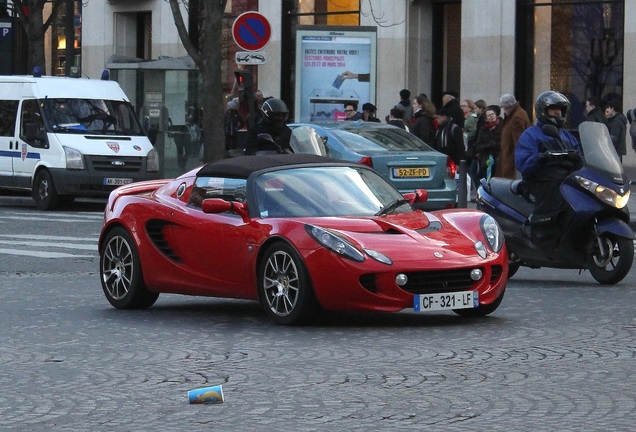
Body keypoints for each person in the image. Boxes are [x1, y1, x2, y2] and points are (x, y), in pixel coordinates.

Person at [515, 91, 582, 247]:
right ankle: (537, 227)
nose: (558, 112)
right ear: (543, 111)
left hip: (566, 176)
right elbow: (522, 161)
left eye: (560, 109)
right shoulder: (531, 134)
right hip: (539, 178)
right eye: (553, 108)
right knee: (556, 181)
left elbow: (581, 155)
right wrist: (541, 157)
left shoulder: (567, 136)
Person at [497, 93, 531, 179]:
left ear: (506, 106)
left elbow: (519, 141)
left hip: (511, 160)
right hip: (509, 157)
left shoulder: (517, 117)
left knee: (509, 185)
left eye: (503, 107)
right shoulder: (517, 114)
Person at [473, 106, 503, 183]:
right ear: (486, 119)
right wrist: (489, 145)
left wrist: (495, 145)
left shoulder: (502, 127)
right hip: (486, 159)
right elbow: (478, 145)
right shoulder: (483, 129)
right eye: (489, 115)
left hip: (498, 158)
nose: (492, 116)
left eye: (493, 114)